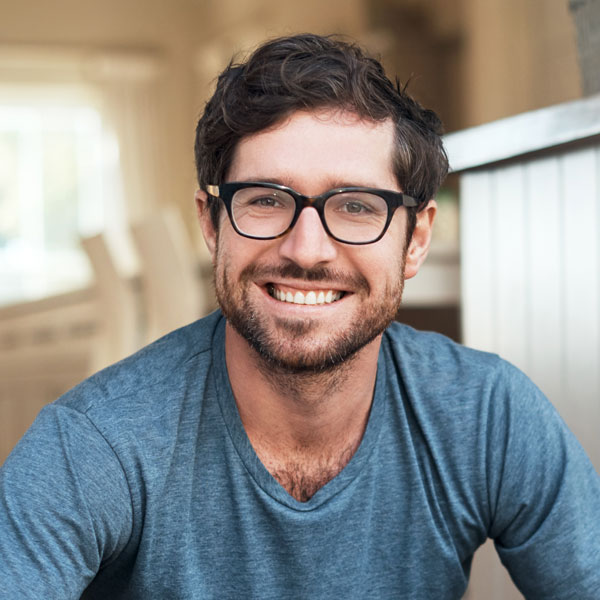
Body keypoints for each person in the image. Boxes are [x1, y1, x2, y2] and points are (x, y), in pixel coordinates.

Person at [1, 34, 599, 600]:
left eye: (357, 206)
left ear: (416, 238)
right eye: (265, 200)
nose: (306, 249)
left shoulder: (487, 415)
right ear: (211, 224)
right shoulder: (94, 444)